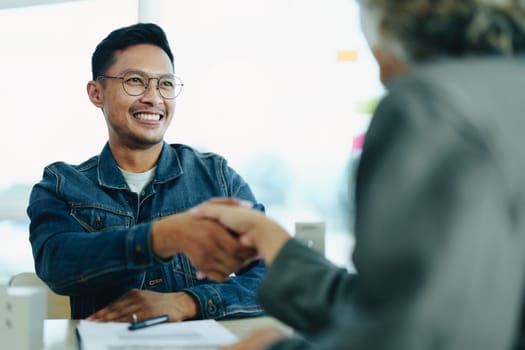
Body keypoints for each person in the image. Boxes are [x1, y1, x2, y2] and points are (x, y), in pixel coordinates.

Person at [190, 0, 525, 349]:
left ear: (396, 24)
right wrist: (275, 244)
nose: (381, 76)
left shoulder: (435, 106)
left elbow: (407, 337)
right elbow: (405, 303)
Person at [27, 23, 266, 322]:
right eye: (136, 81)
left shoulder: (216, 177)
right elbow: (56, 263)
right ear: (96, 93)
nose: (154, 98)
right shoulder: (61, 185)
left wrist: (188, 302)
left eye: (165, 84)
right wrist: (160, 238)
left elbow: (277, 275)